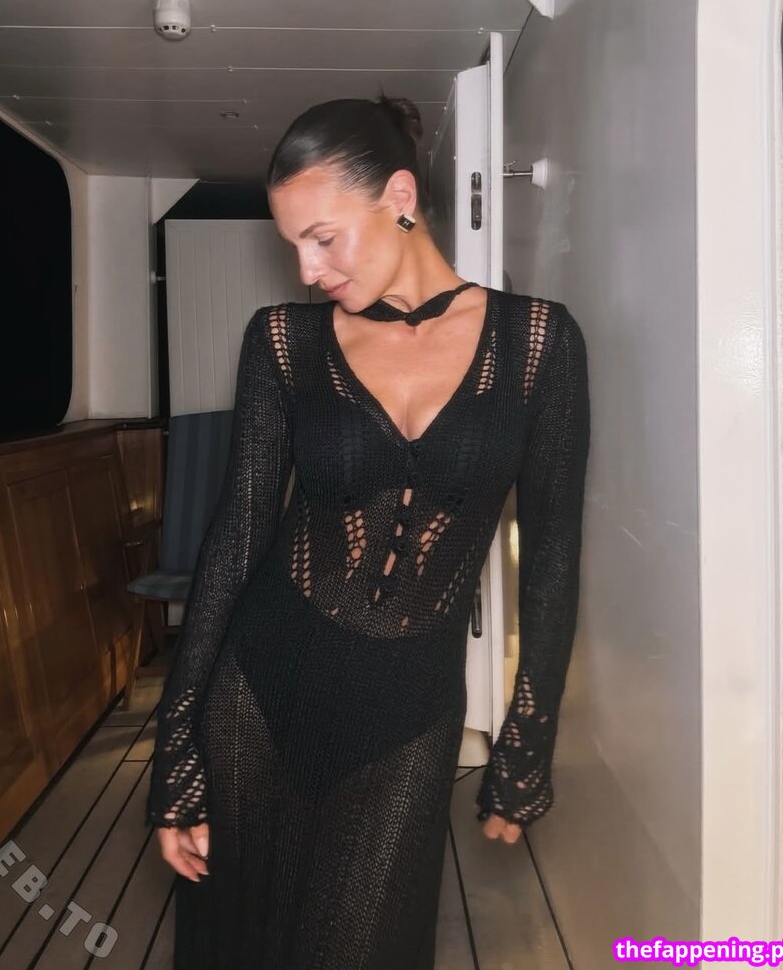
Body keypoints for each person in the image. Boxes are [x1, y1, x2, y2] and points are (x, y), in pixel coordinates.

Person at [147, 92, 591, 970]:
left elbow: (551, 558)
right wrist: (177, 743)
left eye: (322, 238)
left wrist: (528, 737)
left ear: (398, 196)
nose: (307, 270)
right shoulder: (283, 342)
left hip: (408, 713)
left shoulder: (540, 342)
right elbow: (235, 541)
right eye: (293, 247)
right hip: (261, 690)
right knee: (238, 944)